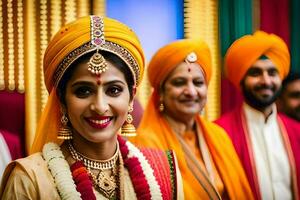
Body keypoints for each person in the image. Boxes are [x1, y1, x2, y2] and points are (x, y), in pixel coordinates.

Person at [0, 16, 184, 199]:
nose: (100, 106)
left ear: (131, 96)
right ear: (62, 99)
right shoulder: (29, 179)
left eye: (113, 90)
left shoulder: (164, 171)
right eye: (83, 91)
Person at [131, 39, 254, 199]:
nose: (191, 91)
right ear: (161, 92)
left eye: (198, 83)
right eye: (179, 82)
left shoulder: (219, 136)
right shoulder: (144, 144)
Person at [215, 31, 300, 200]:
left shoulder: (296, 131)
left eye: (272, 72)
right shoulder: (219, 133)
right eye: (255, 73)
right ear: (240, 79)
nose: (266, 81)